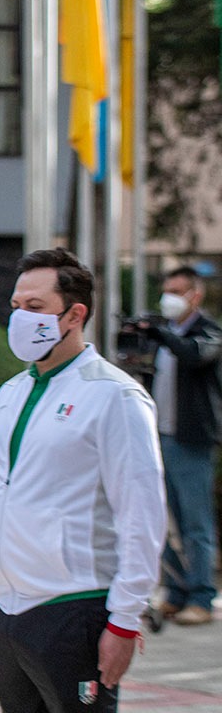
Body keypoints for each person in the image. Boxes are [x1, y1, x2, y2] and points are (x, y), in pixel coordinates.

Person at [0, 248, 165, 712]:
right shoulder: (9, 393)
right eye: (16, 307)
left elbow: (142, 516)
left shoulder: (114, 397)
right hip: (9, 611)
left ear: (74, 314)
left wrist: (124, 621)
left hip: (75, 608)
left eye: (35, 308)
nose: (20, 318)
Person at [146, 265, 222, 625]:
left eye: (177, 291)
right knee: (166, 521)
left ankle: (202, 598)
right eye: (167, 290)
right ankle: (175, 592)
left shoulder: (208, 332)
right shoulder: (165, 336)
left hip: (190, 442)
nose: (170, 298)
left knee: (195, 524)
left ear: (196, 295)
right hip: (158, 438)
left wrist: (162, 335)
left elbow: (195, 356)